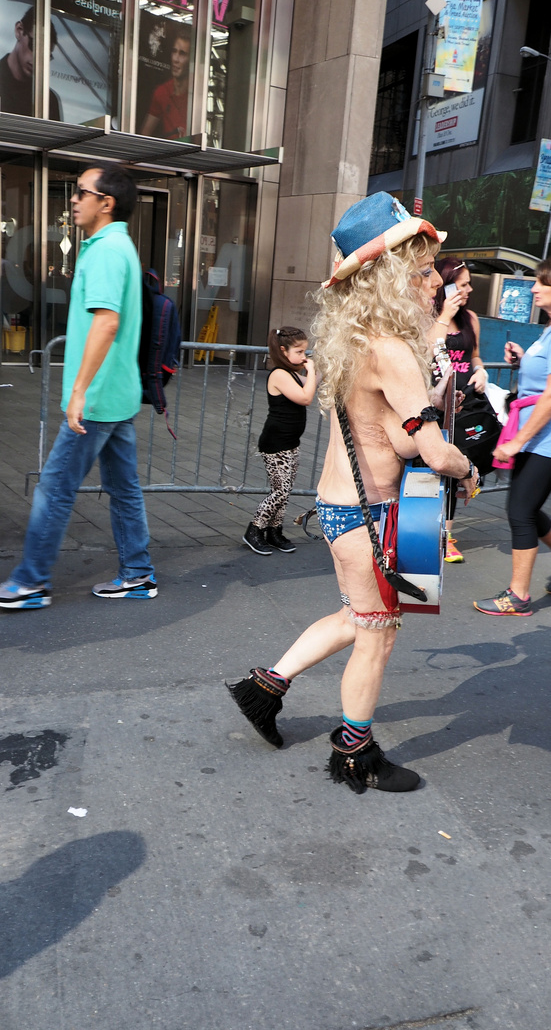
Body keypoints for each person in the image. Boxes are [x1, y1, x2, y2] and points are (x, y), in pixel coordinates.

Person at [227, 192, 479, 794]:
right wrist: (467, 470)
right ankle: (353, 753)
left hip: (366, 509)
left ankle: (263, 690)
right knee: (379, 632)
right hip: (374, 515)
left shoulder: (359, 341)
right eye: (422, 270)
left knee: (358, 616)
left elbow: (393, 435)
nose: (434, 282)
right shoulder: (391, 351)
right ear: (389, 278)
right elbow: (434, 453)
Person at [0, 161, 156, 611]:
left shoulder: (106, 250)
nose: (73, 197)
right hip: (118, 395)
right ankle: (138, 575)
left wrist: (79, 391)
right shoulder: (119, 245)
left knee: (54, 487)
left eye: (81, 191)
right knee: (124, 488)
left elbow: (106, 323)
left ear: (105, 203)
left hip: (100, 398)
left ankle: (31, 582)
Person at [474, 259, 551, 617]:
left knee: (520, 511)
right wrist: (523, 360)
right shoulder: (549, 328)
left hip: (545, 443)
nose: (534, 288)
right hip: (538, 440)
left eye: (541, 283)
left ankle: (518, 596)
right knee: (529, 510)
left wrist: (518, 442)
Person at [429, 257, 488, 564]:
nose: (469, 289)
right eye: (462, 283)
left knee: (456, 467)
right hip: (435, 404)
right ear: (446, 284)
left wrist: (481, 371)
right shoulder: (428, 316)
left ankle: (446, 535)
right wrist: (444, 315)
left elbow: (475, 356)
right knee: (433, 466)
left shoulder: (470, 319)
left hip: (466, 405)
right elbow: (427, 352)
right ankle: (426, 530)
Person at [243, 326, 317, 555]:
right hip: (276, 443)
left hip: (290, 441)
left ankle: (274, 531)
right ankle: (254, 530)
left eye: (305, 351)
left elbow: (312, 382)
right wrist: (312, 370)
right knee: (280, 491)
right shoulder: (279, 375)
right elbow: (306, 397)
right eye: (299, 351)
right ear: (283, 351)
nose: (304, 357)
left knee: (285, 490)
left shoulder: (292, 373)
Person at [0, 6, 61, 119]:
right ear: (19, 30)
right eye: (34, 46)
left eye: (45, 56)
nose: (38, 59)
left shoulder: (48, 101)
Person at [140, 28, 190, 140]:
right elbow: (144, 135)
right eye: (174, 51)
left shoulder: (198, 96)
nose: (175, 59)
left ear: (192, 61)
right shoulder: (162, 92)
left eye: (182, 54)